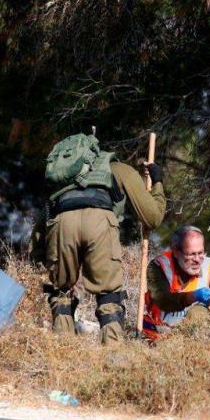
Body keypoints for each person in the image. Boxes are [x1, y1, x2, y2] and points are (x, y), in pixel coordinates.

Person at [44, 132, 166, 345]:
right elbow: (152, 217)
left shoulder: (64, 174)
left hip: (62, 224)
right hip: (100, 223)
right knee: (109, 296)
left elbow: (45, 215)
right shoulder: (118, 168)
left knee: (61, 293)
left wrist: (40, 251)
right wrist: (158, 181)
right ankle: (112, 354)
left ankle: (62, 350)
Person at [143, 226, 210, 341]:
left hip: (187, 341)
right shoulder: (158, 266)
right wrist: (193, 296)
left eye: (200, 253)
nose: (197, 260)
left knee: (199, 312)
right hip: (154, 337)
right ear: (176, 251)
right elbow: (163, 300)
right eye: (191, 254)